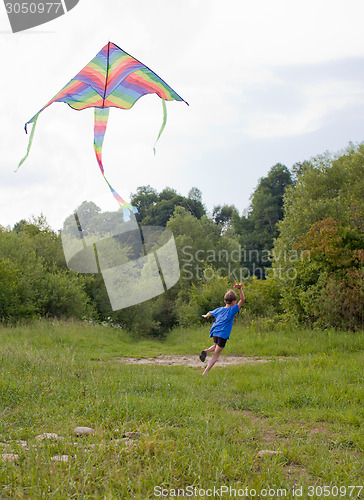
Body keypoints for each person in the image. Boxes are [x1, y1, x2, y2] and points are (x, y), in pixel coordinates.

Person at [199, 284, 245, 376]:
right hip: (223, 334)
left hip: (215, 332)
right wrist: (240, 289)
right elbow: (243, 300)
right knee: (216, 354)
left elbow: (209, 313)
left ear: (225, 300)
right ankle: (205, 372)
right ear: (234, 301)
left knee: (216, 346)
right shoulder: (233, 310)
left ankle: (207, 351)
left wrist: (206, 315)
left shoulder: (219, 309)